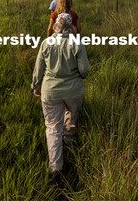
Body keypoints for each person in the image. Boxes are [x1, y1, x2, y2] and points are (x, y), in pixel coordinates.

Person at [32, 13, 91, 176]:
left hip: (50, 91)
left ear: (56, 26)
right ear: (71, 27)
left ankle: (55, 166)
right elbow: (85, 70)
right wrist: (79, 76)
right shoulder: (77, 43)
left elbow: (38, 69)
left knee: (52, 127)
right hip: (74, 90)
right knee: (71, 116)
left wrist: (36, 86)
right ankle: (69, 142)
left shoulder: (46, 43)